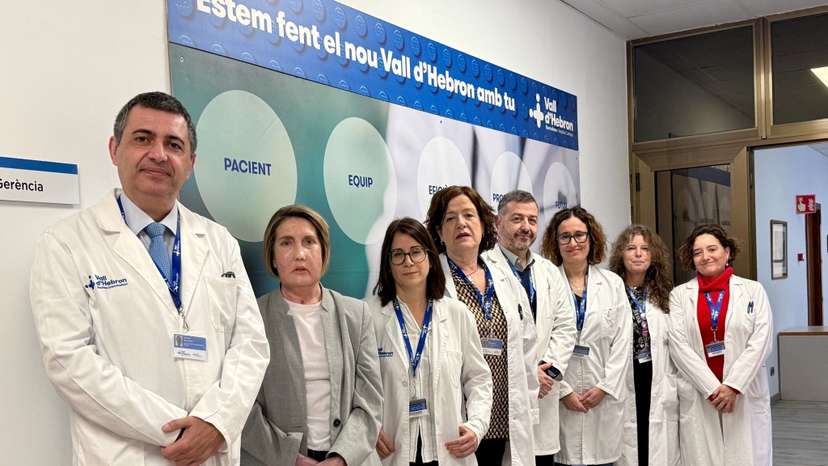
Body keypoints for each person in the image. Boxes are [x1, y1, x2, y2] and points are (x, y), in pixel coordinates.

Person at [29, 91, 270, 465]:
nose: (158, 154)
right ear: (115, 149)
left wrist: (216, 422)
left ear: (190, 163)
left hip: (213, 450)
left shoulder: (219, 241)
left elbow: (251, 345)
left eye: (174, 144)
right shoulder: (67, 243)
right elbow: (68, 359)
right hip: (128, 454)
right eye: (143, 139)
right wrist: (177, 429)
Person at [242, 205, 383, 466]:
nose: (299, 254)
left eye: (309, 242)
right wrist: (290, 458)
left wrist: (341, 458)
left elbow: (370, 401)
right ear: (272, 257)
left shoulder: (356, 314)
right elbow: (241, 403)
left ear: (323, 253)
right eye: (286, 243)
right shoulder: (251, 316)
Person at [425, 185, 539, 466]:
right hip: (458, 421)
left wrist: (530, 402)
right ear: (439, 232)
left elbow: (526, 343)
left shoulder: (503, 276)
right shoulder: (430, 278)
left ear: (483, 224)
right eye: (450, 219)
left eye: (469, 215)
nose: (461, 223)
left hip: (503, 415)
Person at [369, 217, 493, 466]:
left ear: (430, 257)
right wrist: (368, 428)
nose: (408, 262)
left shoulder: (457, 314)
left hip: (448, 449)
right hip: (391, 450)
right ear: (388, 263)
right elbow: (355, 388)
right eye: (398, 254)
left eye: (416, 252)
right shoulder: (369, 316)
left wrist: (476, 426)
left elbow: (479, 379)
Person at [481, 190, 576, 466]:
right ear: (498, 223)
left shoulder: (548, 271)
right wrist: (526, 373)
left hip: (544, 394)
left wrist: (549, 369)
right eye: (517, 219)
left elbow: (565, 325)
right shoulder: (484, 267)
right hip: (502, 399)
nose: (526, 227)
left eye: (532, 220)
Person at [668, 224, 772, 466]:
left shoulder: (753, 291)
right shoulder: (680, 295)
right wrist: (714, 390)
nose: (706, 256)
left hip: (743, 391)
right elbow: (678, 346)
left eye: (712, 249)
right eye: (697, 252)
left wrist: (733, 386)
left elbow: (761, 341)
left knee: (746, 456)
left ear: (727, 253)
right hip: (702, 392)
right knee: (703, 457)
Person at [540, 206, 632, 466]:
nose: (573, 243)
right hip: (560, 397)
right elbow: (540, 343)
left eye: (580, 235)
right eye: (565, 236)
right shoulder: (546, 282)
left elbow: (622, 342)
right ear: (555, 242)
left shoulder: (612, 283)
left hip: (602, 400)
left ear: (592, 239)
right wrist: (563, 391)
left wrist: (604, 387)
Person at [609, 225, 681, 466]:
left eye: (644, 249)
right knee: (629, 440)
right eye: (631, 248)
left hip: (656, 377)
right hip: (624, 377)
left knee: (654, 442)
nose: (638, 254)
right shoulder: (609, 292)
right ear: (621, 254)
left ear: (653, 256)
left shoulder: (666, 296)